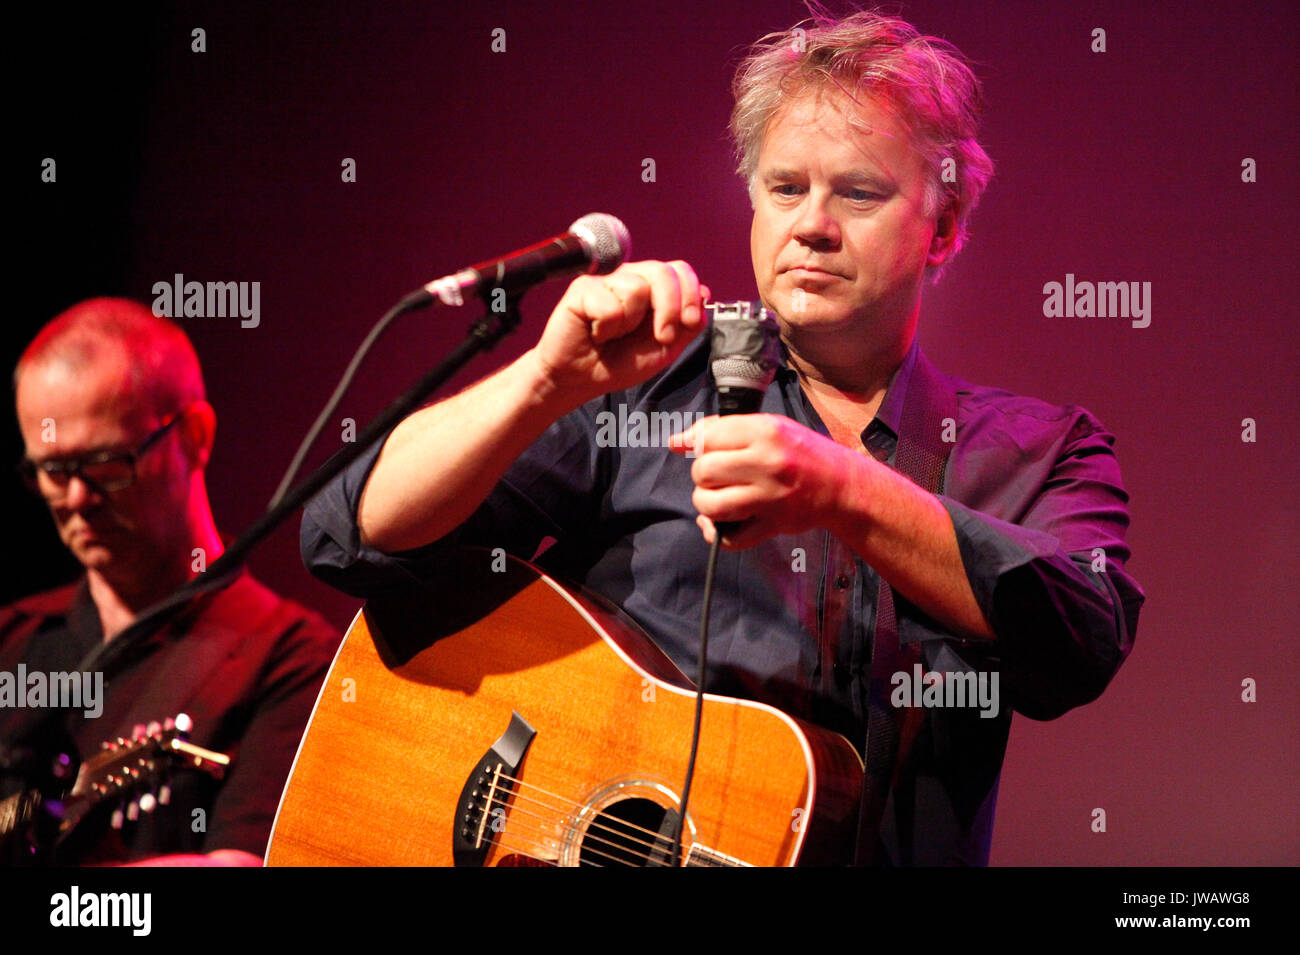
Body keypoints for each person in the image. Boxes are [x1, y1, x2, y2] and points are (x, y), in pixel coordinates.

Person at [302, 10, 1144, 865]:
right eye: (785, 189)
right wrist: (542, 383)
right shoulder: (647, 381)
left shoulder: (1043, 450)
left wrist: (844, 488)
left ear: (944, 225)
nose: (812, 225)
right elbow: (349, 535)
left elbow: (1084, 638)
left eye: (858, 192)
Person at [0, 297, 338, 865]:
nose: (78, 499)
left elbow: (239, 866)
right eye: (53, 471)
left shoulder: (291, 659)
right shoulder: (12, 640)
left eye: (108, 462)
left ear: (194, 436)